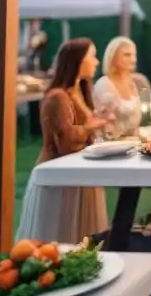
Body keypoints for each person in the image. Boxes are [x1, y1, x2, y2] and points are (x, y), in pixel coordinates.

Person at [17, 39, 108, 242]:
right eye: (91, 56)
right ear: (77, 61)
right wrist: (91, 127)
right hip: (59, 179)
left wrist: (98, 122)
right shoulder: (58, 97)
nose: (96, 61)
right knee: (56, 245)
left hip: (81, 177)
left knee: (85, 246)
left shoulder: (79, 91)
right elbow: (66, 144)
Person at [93, 36, 142, 139]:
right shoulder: (104, 85)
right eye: (127, 55)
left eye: (134, 55)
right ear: (112, 57)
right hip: (110, 147)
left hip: (131, 145)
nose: (133, 60)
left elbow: (135, 124)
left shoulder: (131, 83)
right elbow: (105, 128)